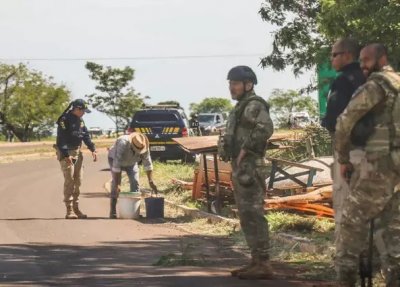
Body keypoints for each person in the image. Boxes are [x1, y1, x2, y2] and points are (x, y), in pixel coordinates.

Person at [335, 43, 400, 286]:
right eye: (360, 61)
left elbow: (344, 122)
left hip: (380, 167)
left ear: (382, 59)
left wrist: (343, 159)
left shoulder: (376, 85)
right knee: (390, 230)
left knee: (351, 224)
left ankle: (346, 281)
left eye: (367, 60)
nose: (362, 66)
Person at [218, 65, 274, 280]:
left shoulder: (253, 105)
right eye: (230, 84)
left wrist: (245, 149)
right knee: (246, 214)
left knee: (254, 214)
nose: (231, 88)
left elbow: (265, 128)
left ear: (248, 84)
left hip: (250, 167)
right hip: (242, 168)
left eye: (235, 84)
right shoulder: (242, 106)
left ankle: (264, 262)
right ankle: (256, 261)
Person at [321, 38, 366, 243]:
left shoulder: (343, 80)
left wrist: (342, 157)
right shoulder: (371, 80)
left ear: (347, 55)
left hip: (350, 152)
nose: (331, 59)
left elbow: (334, 121)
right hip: (375, 153)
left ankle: (347, 262)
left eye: (334, 54)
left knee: (346, 208)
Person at [55, 99, 97, 219]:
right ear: (77, 109)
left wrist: (92, 148)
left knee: (78, 181)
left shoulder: (80, 120)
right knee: (69, 181)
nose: (84, 113)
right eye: (83, 110)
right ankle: (69, 210)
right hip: (67, 153)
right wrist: (66, 155)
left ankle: (76, 208)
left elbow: (85, 135)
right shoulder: (64, 120)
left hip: (78, 152)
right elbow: (61, 139)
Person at [108, 132, 157, 219]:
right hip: (115, 159)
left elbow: (148, 164)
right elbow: (117, 163)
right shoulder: (123, 142)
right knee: (115, 185)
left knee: (135, 182)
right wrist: (118, 184)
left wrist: (151, 181)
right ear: (132, 145)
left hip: (132, 163)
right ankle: (113, 211)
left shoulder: (143, 144)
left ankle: (134, 212)